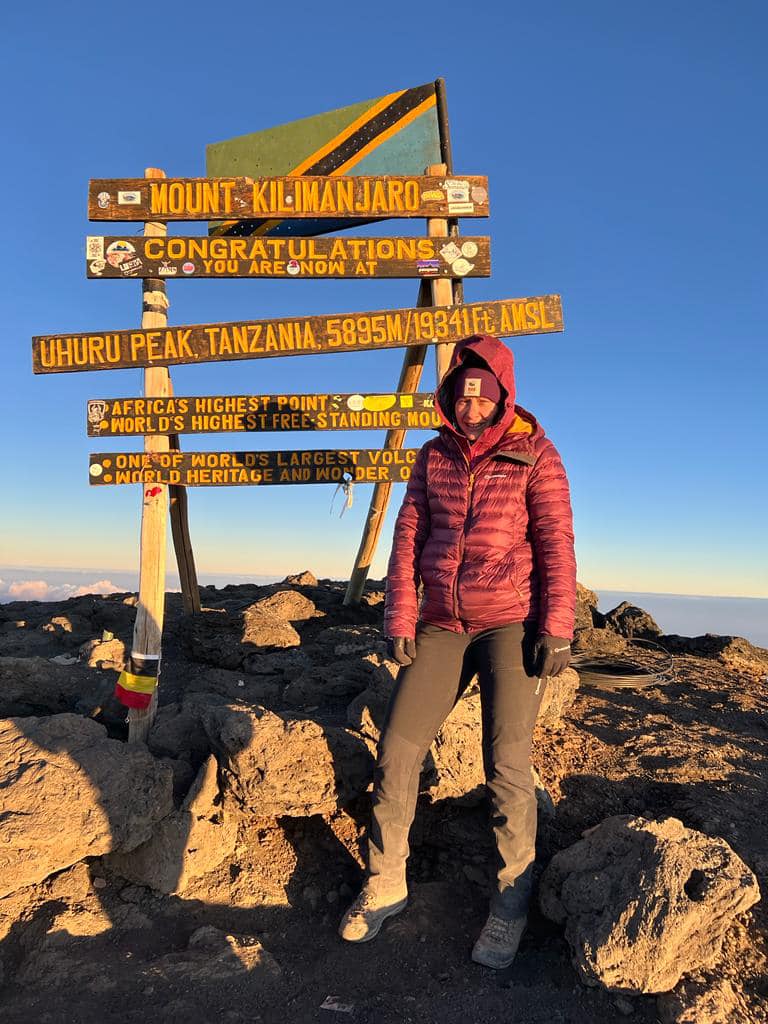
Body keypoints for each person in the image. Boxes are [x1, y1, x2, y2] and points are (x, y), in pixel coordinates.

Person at [339, 333, 576, 969]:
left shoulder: (536, 455)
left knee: (504, 762)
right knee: (397, 748)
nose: (471, 407)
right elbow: (407, 539)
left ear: (502, 395)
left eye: (482, 395)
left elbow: (555, 541)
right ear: (448, 398)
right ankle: (386, 878)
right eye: (460, 396)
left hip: (509, 624)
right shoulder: (432, 456)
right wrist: (400, 614)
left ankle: (509, 900)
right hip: (442, 621)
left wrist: (558, 623)